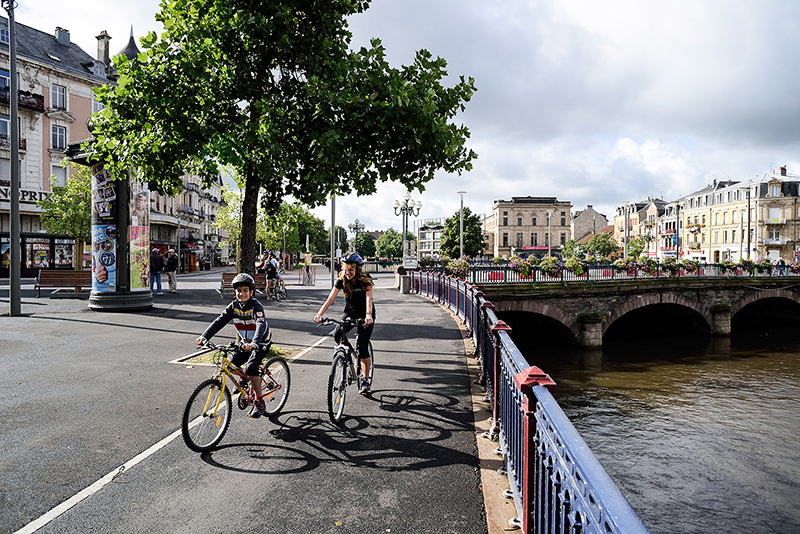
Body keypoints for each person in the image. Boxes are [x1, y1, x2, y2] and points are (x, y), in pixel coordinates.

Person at [196, 273, 273, 418]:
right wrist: (204, 336)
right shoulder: (233, 306)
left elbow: (260, 324)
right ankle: (245, 377)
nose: (242, 293)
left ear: (251, 292)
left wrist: (255, 343)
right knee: (229, 365)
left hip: (261, 342)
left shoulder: (256, 306)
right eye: (239, 290)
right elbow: (219, 321)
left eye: (245, 290)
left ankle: (259, 401)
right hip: (244, 342)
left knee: (251, 368)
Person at [314, 252, 375, 395]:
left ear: (358, 269)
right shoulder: (341, 280)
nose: (348, 273)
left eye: (351, 270)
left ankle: (365, 379)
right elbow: (330, 298)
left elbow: (368, 299)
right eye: (345, 269)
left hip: (366, 313)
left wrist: (368, 315)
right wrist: (319, 313)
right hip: (350, 312)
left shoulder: (365, 280)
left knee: (363, 346)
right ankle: (349, 357)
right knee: (337, 334)